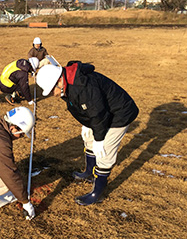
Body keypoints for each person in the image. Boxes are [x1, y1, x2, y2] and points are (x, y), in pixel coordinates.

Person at [36, 61, 139, 205]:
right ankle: (89, 172)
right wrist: (86, 124)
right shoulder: (68, 82)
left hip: (119, 114)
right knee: (89, 138)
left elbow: (99, 115)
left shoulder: (82, 87)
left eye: (52, 89)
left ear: (60, 80)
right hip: (101, 113)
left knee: (105, 151)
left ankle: (97, 193)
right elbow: (85, 109)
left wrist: (99, 139)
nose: (53, 94)